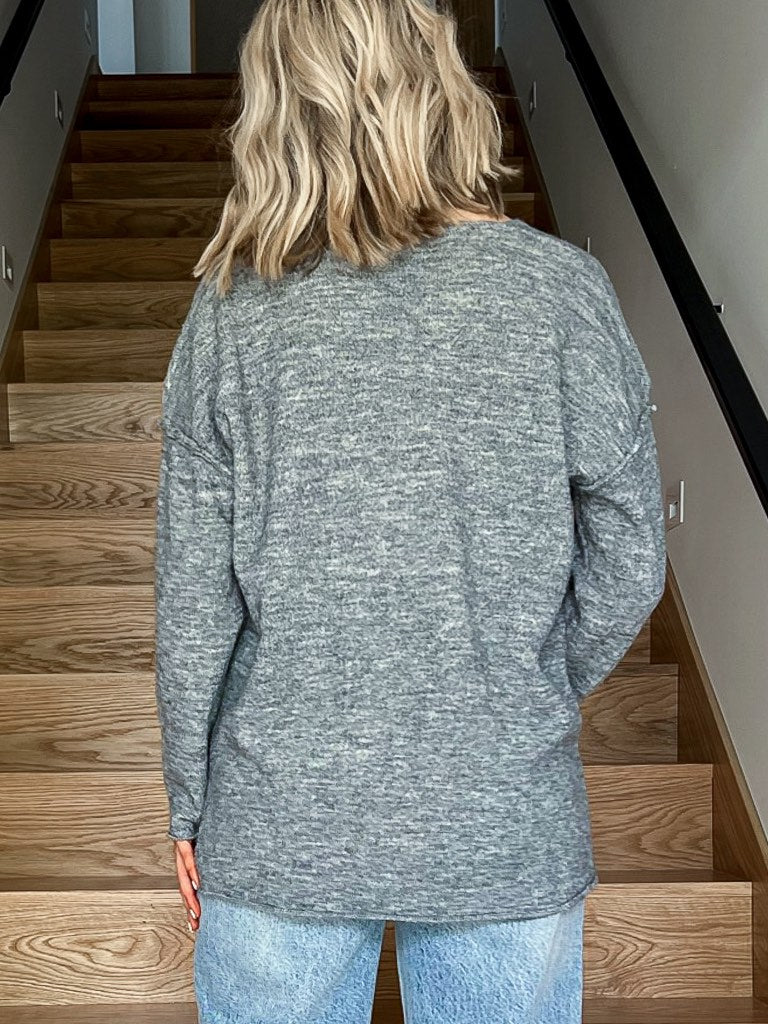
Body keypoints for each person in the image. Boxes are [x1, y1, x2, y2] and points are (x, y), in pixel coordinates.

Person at [153, 0, 668, 1021]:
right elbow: (630, 557)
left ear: (281, 107)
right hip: (505, 809)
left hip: (281, 817)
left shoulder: (232, 313)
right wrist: (520, 686)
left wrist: (188, 797)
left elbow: (193, 602)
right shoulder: (561, 292)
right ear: (441, 86)